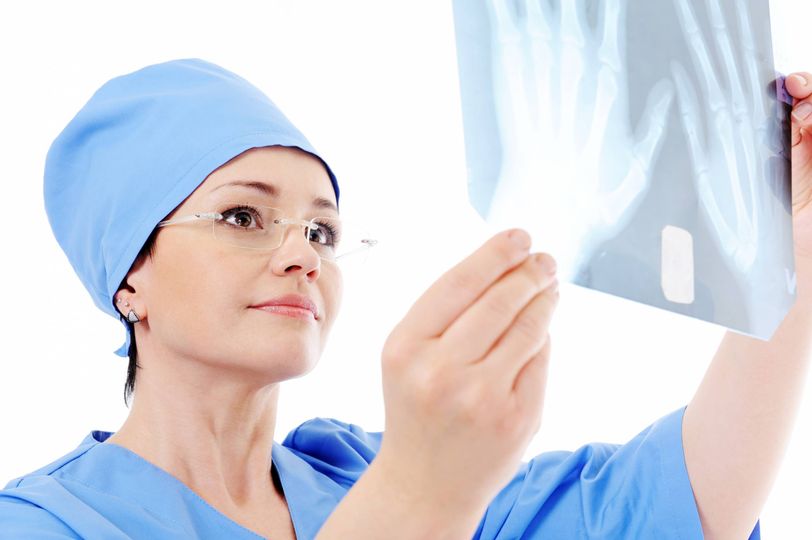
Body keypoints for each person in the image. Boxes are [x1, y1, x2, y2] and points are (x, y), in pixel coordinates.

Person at [1, 57, 810, 540]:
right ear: (130, 276)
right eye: (244, 217)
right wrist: (422, 496)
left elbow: (677, 505)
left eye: (321, 231)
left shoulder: (354, 470)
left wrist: (799, 250)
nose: (302, 255)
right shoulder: (44, 522)